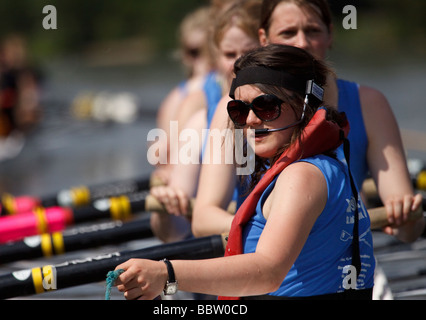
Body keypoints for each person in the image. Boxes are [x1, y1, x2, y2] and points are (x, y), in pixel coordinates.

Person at [114, 45, 376, 300]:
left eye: (266, 106)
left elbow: (268, 271)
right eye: (239, 110)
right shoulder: (325, 163)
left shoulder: (302, 176)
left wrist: (166, 273)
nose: (250, 120)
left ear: (304, 105)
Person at [192, 0, 425, 243]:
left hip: (343, 268)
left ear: (330, 35)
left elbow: (408, 232)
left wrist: (408, 218)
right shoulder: (233, 109)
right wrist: (282, 226)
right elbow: (203, 219)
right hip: (262, 256)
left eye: (312, 31)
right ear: (264, 38)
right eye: (288, 32)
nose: (302, 42)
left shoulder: (370, 104)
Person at [149, 0, 261, 243]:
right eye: (230, 54)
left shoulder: (294, 112)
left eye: (249, 52)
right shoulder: (198, 114)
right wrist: (166, 207)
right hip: (220, 237)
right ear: (217, 58)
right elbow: (173, 234)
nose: (239, 63)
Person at [151, 6, 214, 186]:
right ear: (184, 54)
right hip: (186, 183)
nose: (201, 60)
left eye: (208, 50)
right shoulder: (178, 97)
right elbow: (160, 155)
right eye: (194, 52)